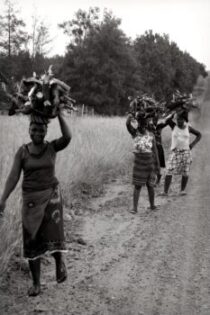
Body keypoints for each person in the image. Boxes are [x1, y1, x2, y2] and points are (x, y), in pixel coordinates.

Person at [0, 111, 71, 296]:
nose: (37, 132)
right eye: (34, 129)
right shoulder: (22, 151)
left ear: (46, 130)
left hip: (51, 195)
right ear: (28, 130)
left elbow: (67, 137)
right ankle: (37, 283)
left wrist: (59, 114)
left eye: (41, 129)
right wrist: (3, 198)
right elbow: (13, 176)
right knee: (31, 240)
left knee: (53, 234)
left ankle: (59, 263)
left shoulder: (52, 147)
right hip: (31, 200)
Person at [160, 110, 201, 195]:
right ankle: (165, 192)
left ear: (185, 120)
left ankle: (182, 190)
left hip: (186, 152)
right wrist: (174, 112)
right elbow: (167, 120)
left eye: (181, 119)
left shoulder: (188, 128)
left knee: (185, 171)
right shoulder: (173, 126)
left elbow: (199, 134)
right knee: (169, 171)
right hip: (175, 152)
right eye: (178, 119)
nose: (179, 121)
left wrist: (192, 145)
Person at [126, 113, 160, 213]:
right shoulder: (134, 133)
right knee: (137, 186)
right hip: (138, 164)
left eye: (144, 124)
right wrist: (131, 116)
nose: (142, 126)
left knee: (150, 186)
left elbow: (155, 151)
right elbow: (127, 124)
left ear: (146, 125)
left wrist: (157, 166)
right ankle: (135, 208)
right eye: (140, 124)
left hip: (150, 164)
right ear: (137, 124)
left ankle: (152, 205)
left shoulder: (151, 135)